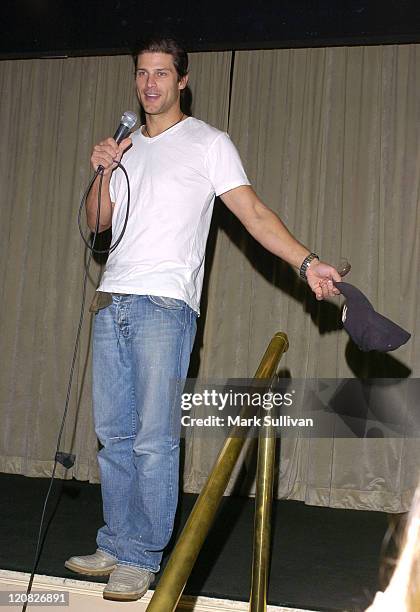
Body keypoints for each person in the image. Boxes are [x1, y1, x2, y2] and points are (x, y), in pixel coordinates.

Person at [65, 37, 341, 601]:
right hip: (112, 300)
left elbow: (254, 213)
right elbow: (95, 225)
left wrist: (307, 262)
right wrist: (101, 170)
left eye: (161, 74)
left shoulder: (208, 143)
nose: (149, 84)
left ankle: (142, 555)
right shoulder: (126, 146)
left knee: (153, 439)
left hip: (165, 306)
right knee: (113, 435)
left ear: (182, 81)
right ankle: (116, 542)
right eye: (142, 73)